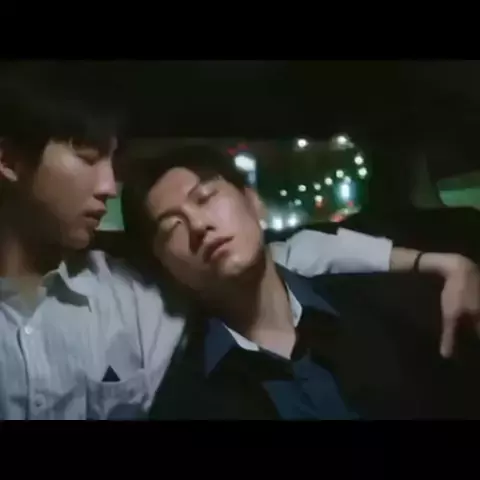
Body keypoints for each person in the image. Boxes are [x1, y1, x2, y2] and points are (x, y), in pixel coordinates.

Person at [0, 77, 477, 420]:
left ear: (253, 203)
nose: (107, 185)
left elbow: (284, 254)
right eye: (87, 158)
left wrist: (442, 262)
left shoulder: (133, 294)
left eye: (206, 198)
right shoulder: (156, 316)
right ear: (8, 159)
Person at [119, 145, 480, 419]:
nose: (199, 225)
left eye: (206, 197)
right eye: (172, 226)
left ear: (254, 203)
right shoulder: (185, 401)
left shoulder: (389, 308)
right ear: (165, 266)